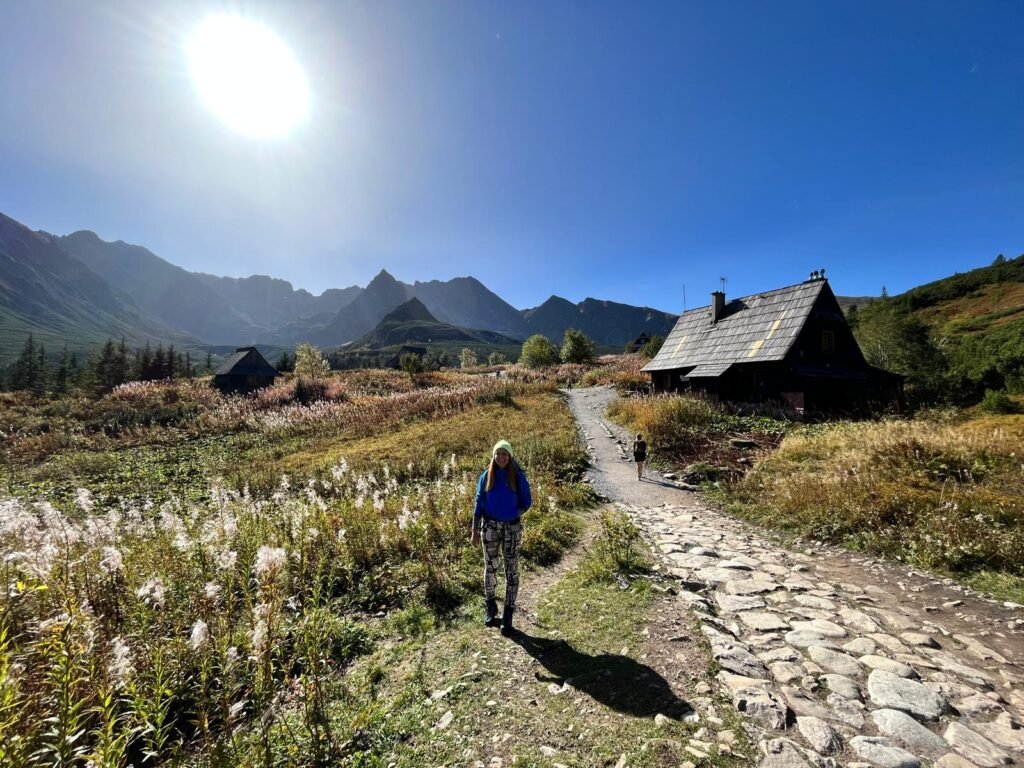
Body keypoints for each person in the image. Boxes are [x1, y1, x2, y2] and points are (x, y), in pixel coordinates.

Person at [471, 440, 532, 635]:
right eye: (498, 454)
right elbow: (478, 503)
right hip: (489, 527)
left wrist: (513, 514)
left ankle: (508, 613)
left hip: (511, 529)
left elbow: (527, 501)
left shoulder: (518, 476)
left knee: (511, 571)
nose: (501, 457)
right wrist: (474, 530)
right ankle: (490, 606)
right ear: (494, 456)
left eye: (505, 454)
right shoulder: (486, 476)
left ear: (510, 456)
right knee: (490, 567)